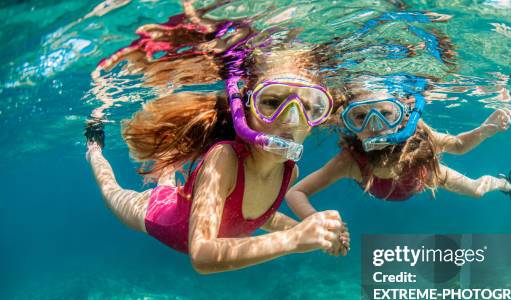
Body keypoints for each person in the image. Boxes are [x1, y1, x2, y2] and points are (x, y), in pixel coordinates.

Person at [86, 48, 347, 274]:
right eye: (271, 101)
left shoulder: (290, 172)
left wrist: (315, 231)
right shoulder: (224, 158)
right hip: (158, 216)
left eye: (310, 107)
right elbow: (202, 254)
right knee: (112, 192)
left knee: (169, 183)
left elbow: (257, 215)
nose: (292, 119)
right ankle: (93, 149)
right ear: (245, 110)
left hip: (183, 202)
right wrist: (295, 238)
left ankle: (168, 167)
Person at [286, 82, 511, 227]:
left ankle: (504, 183)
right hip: (391, 186)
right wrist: (315, 220)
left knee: (476, 191)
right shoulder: (351, 161)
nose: (374, 125)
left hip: (427, 175)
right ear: (348, 122)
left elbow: (457, 146)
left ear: (403, 116)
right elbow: (296, 192)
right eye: (360, 117)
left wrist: (484, 130)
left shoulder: (416, 134)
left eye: (385, 113)